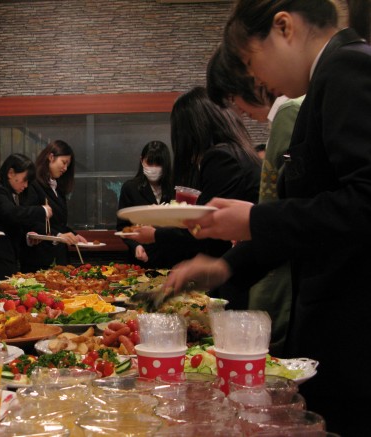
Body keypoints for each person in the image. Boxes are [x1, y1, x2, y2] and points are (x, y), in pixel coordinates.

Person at [165, 1, 371, 434]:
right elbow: (314, 218)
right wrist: (226, 265)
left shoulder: (347, 69)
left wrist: (256, 220)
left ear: (284, 27)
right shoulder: (326, 82)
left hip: (353, 333)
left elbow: (364, 202)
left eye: (248, 60)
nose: (255, 78)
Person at [207, 44, 304, 355]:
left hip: (289, 296)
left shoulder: (291, 114)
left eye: (232, 98)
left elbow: (294, 218)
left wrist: (252, 221)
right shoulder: (287, 115)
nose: (237, 110)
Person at [126, 87, 261, 309]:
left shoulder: (220, 157)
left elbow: (206, 227)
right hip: (246, 267)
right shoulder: (240, 151)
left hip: (238, 277)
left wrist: (156, 234)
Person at [0, 154, 52, 286]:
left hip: (3, 269)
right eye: (24, 180)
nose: (25, 185)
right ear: (11, 173)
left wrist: (28, 238)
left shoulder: (10, 195)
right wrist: (42, 210)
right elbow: (12, 214)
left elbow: (8, 226)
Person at [20, 140, 87, 271]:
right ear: (51, 157)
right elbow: (30, 222)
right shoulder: (32, 184)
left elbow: (58, 224)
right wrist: (58, 236)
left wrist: (73, 235)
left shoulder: (58, 188)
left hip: (60, 259)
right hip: (38, 261)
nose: (65, 168)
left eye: (68, 164)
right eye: (64, 162)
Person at [116, 140, 174, 268]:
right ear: (142, 160)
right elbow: (122, 227)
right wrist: (136, 246)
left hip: (172, 259)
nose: (153, 168)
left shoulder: (175, 188)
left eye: (158, 164)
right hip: (141, 260)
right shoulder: (130, 188)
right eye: (149, 162)